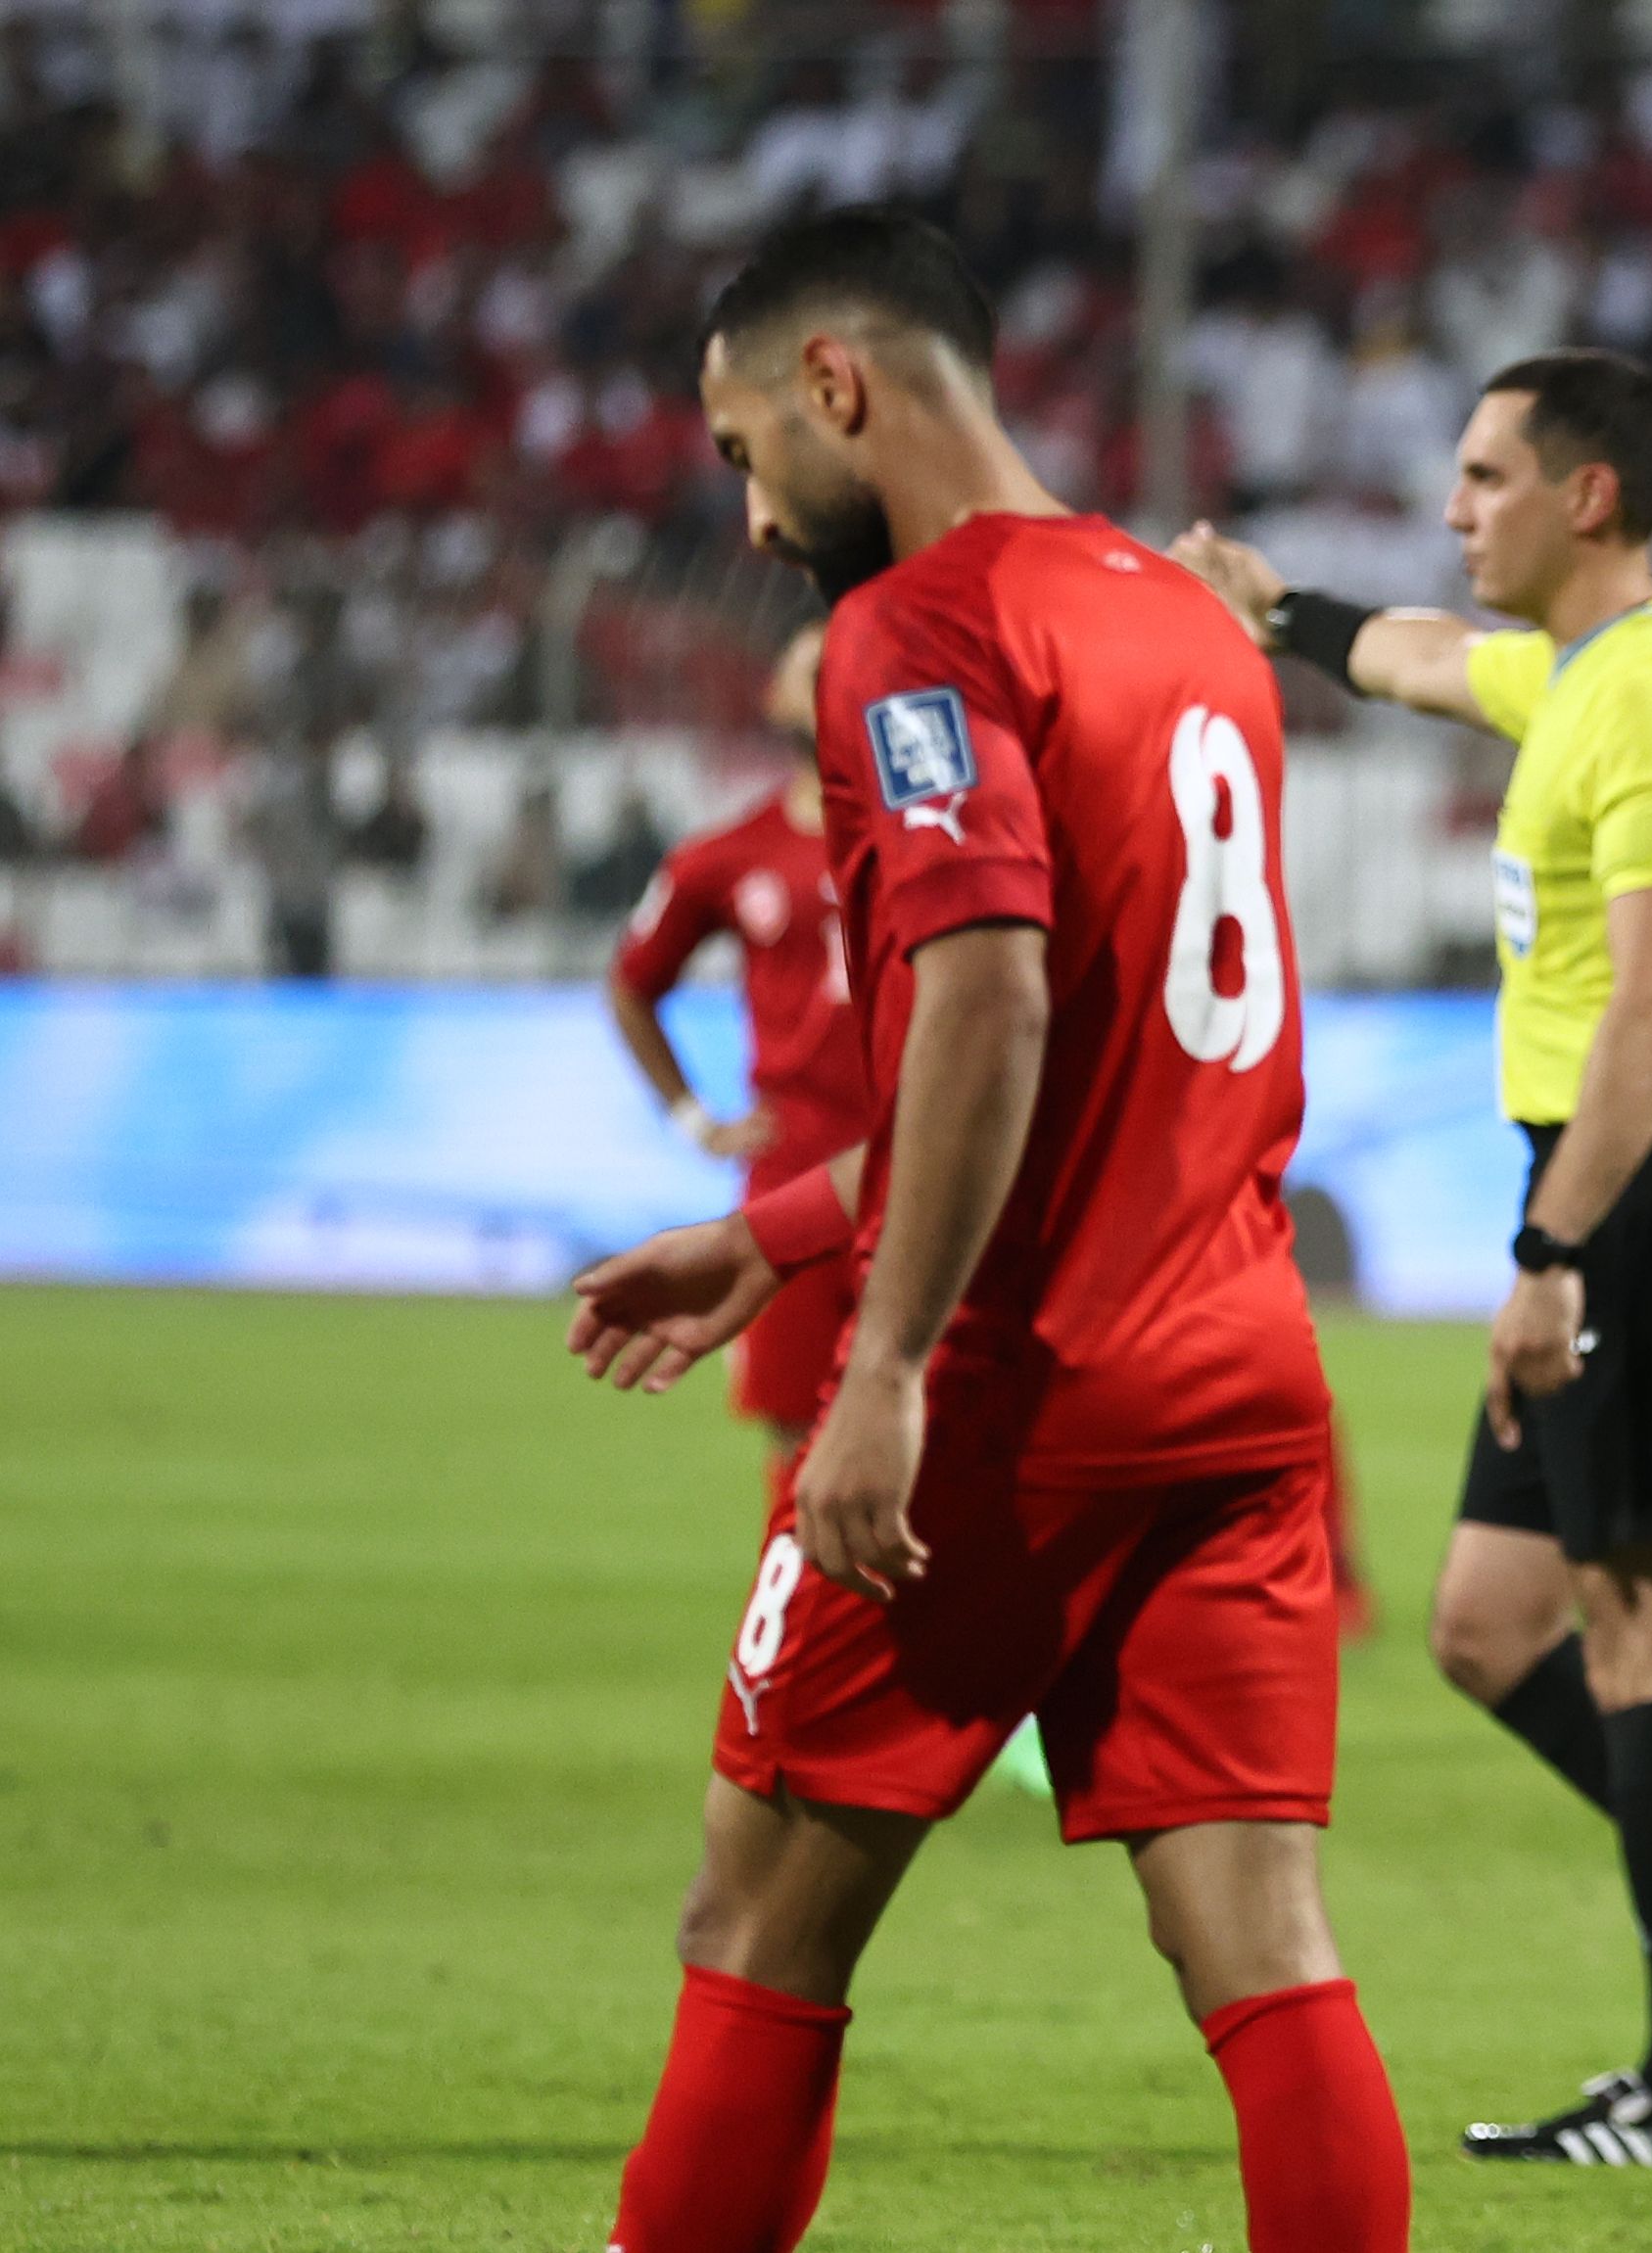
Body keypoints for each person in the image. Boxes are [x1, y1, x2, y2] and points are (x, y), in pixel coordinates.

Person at [560, 208, 1402, 2253]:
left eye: (750, 451)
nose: (754, 519)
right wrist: (773, 1225)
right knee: (1262, 1945)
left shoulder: (921, 629)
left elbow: (994, 1001)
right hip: (1238, 1381)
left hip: (1018, 1397)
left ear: (838, 384)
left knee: (757, 1906)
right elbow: (1092, 1062)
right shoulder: (1184, 620)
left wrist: (879, 1367)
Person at [1170, 348, 1652, 2166]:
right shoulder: (1578, 673)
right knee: (1496, 1629)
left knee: (1651, 1630)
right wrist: (1275, 610)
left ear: (1586, 499)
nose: (1450, 505)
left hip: (1647, 1193)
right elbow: (1415, 654)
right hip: (1606, 1190)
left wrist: (1553, 1249)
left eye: (1483, 476)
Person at [607, 622, 872, 1496]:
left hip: (917, 1169)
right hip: (791, 1174)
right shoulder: (728, 854)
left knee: (948, 1421)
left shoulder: (934, 838)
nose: (832, 674)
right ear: (775, 699)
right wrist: (693, 1116)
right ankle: (806, 1616)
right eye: (810, 664)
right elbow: (633, 981)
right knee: (796, 1432)